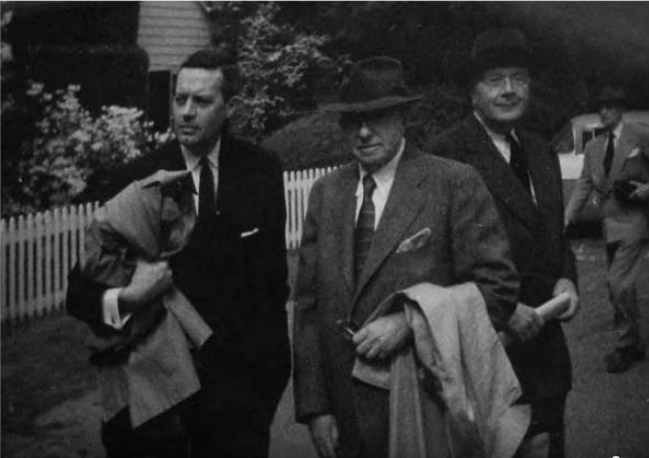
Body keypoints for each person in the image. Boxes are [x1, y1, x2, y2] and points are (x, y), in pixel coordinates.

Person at [293, 56, 524, 458]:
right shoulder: (326, 193)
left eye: (377, 117)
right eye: (352, 120)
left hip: (423, 410)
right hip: (344, 418)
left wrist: (410, 322)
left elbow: (499, 290)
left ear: (402, 117)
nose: (363, 132)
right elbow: (309, 309)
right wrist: (316, 409)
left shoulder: (452, 182)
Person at [66, 48, 291, 458]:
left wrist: (265, 381)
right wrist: (130, 297)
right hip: (154, 402)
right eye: (180, 99)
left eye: (202, 101)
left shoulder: (261, 171)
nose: (186, 112)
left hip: (237, 405)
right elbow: (77, 295)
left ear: (228, 107)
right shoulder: (134, 178)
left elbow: (273, 286)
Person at [424, 28, 580, 458]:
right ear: (473, 93)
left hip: (547, 362)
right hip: (489, 361)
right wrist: (502, 310)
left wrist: (567, 279)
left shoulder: (539, 149)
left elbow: (553, 237)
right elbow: (433, 263)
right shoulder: (445, 156)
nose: (509, 90)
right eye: (495, 80)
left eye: (519, 78)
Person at [565, 87, 649, 373]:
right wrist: (567, 217)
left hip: (635, 222)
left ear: (621, 109)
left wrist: (646, 191)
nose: (603, 112)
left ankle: (624, 345)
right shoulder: (593, 147)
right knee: (620, 288)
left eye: (610, 106)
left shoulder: (639, 135)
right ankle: (635, 342)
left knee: (619, 284)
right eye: (600, 107)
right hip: (609, 225)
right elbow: (584, 184)